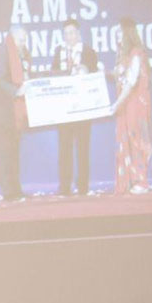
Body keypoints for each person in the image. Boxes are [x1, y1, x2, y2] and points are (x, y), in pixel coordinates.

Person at [50, 19, 101, 195]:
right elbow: (53, 73)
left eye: (72, 33)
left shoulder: (88, 51)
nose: (69, 37)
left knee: (83, 148)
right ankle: (64, 186)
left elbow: (95, 75)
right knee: (64, 148)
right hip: (64, 108)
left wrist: (86, 72)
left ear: (78, 34)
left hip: (83, 107)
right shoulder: (58, 52)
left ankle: (83, 186)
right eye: (66, 33)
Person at [0, 26, 32, 201]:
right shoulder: (2, 52)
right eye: (21, 40)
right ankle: (8, 192)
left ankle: (16, 190)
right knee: (4, 155)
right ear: (12, 38)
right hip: (0, 115)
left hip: (14, 115)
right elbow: (0, 80)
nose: (24, 43)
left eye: (25, 40)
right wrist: (16, 91)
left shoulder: (22, 54)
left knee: (13, 155)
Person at [110, 17, 152, 193]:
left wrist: (116, 104)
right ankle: (128, 181)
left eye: (119, 32)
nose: (117, 36)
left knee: (136, 139)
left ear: (128, 33)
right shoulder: (122, 56)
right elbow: (119, 78)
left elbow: (130, 83)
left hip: (135, 104)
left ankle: (141, 181)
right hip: (125, 105)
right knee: (125, 139)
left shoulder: (136, 54)